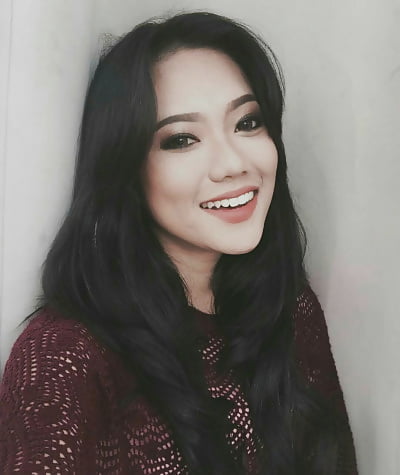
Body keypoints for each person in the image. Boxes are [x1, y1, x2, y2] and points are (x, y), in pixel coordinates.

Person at [0, 11, 358, 475]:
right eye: (183, 139)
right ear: (125, 167)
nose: (233, 164)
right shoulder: (64, 354)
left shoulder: (288, 307)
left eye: (247, 122)